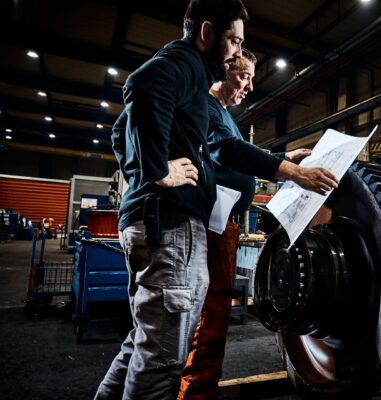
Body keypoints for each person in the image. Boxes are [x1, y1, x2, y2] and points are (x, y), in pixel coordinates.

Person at [97, 1, 337, 398]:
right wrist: (156, 170)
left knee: (144, 344)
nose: (235, 55)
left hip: (162, 222)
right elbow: (142, 86)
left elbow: (121, 128)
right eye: (233, 43)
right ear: (207, 33)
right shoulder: (187, 67)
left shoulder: (191, 82)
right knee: (161, 359)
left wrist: (141, 168)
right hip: (171, 225)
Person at [177, 50, 314, 400]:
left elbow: (237, 151)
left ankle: (200, 387)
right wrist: (289, 170)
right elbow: (228, 150)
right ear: (223, 72)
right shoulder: (206, 108)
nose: (249, 86)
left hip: (223, 226)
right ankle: (195, 392)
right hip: (211, 225)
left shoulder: (222, 113)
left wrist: (282, 157)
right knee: (210, 311)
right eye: (243, 76)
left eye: (252, 79)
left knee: (217, 310)